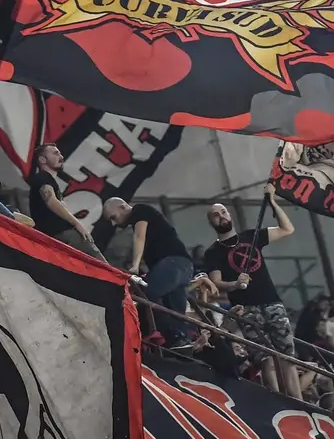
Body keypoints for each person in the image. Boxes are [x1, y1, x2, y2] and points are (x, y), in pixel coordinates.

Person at [203, 183, 300, 399]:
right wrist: (235, 285)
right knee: (263, 358)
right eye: (216, 216)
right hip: (245, 307)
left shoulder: (251, 236)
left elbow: (287, 228)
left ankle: (299, 402)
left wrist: (273, 202)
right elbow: (216, 282)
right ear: (211, 223)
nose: (221, 217)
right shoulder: (214, 252)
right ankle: (276, 400)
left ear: (230, 214)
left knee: (288, 356)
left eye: (223, 212)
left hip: (272, 301)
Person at [104, 197, 192, 348]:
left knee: (143, 295)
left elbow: (139, 236)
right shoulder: (145, 215)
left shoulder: (140, 210)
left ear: (122, 207)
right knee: (175, 310)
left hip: (173, 263)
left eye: (113, 217)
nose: (114, 223)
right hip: (184, 266)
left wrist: (135, 266)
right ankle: (180, 342)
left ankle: (148, 335)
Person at [28, 143, 105, 260]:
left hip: (55, 237)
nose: (61, 156)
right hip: (64, 233)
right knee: (102, 266)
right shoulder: (43, 178)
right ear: (42, 159)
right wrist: (77, 223)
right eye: (55, 153)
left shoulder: (47, 180)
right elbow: (51, 200)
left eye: (59, 152)